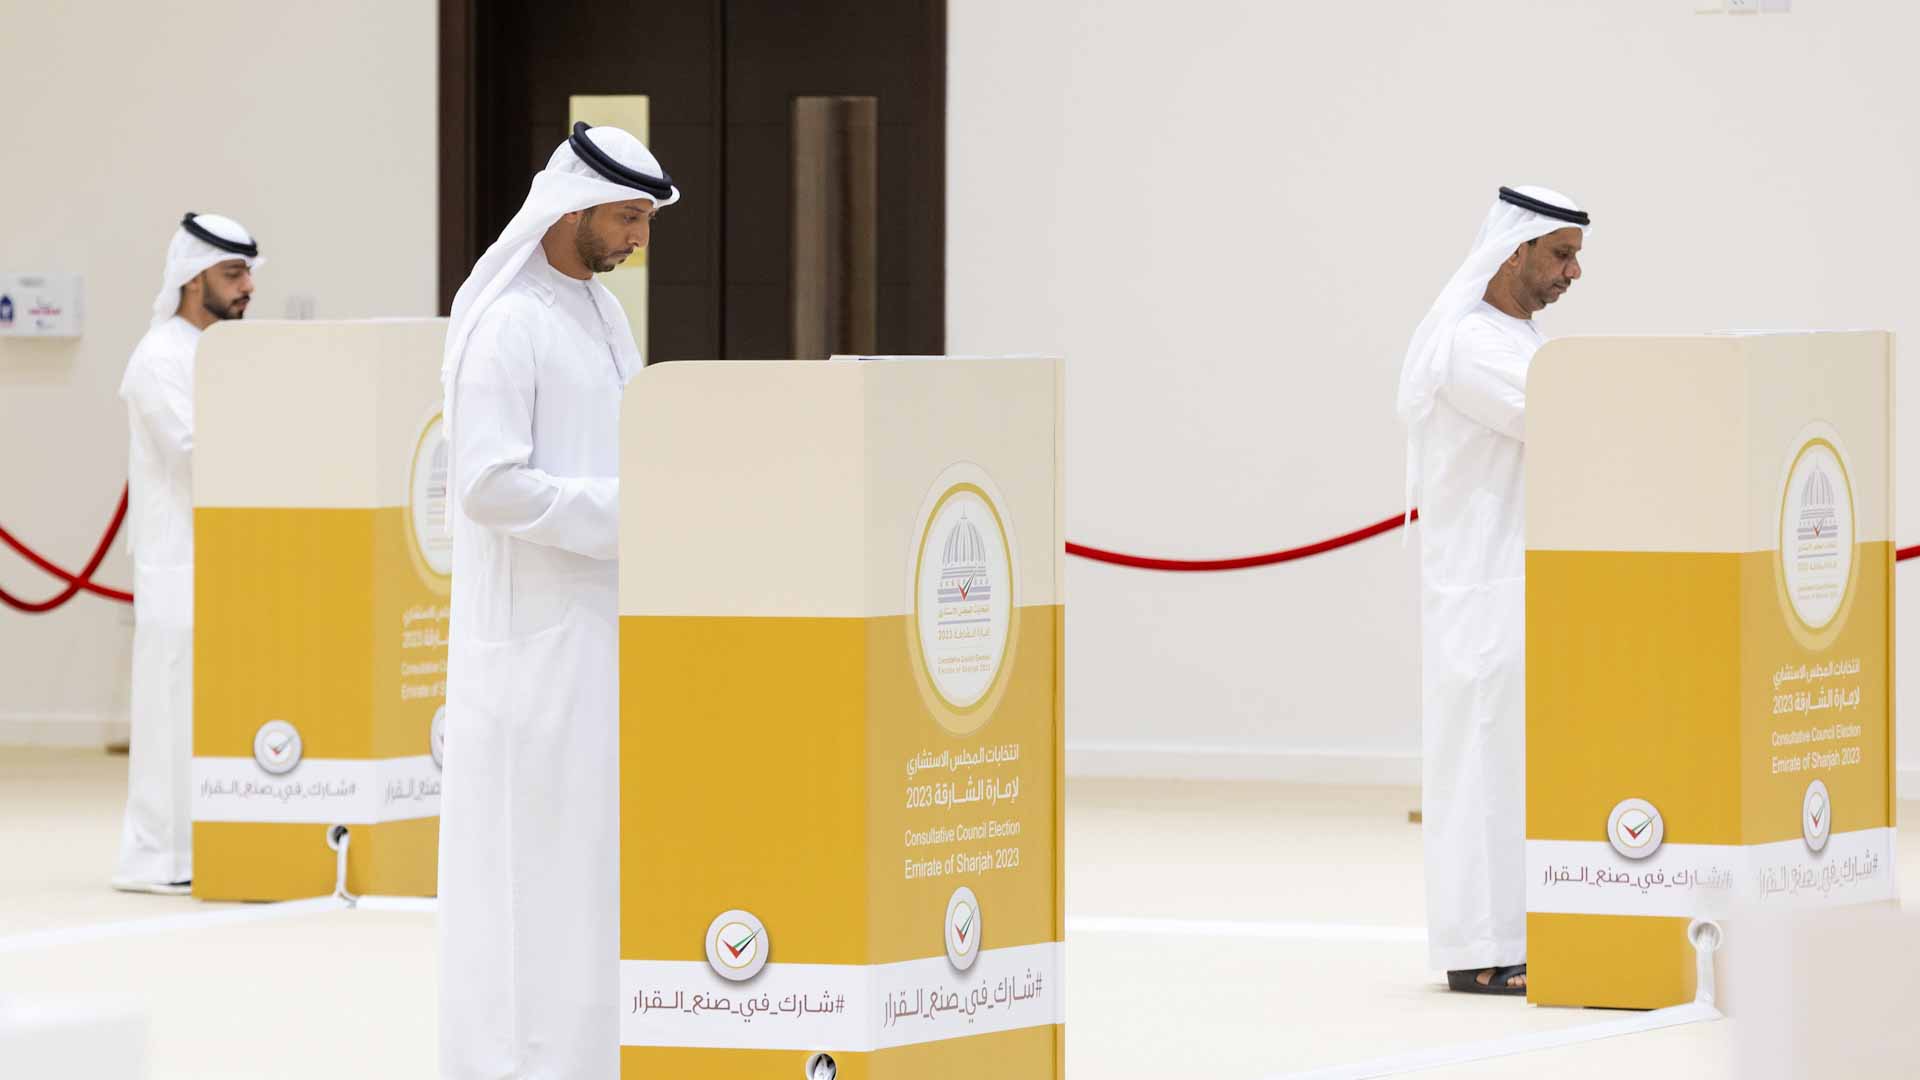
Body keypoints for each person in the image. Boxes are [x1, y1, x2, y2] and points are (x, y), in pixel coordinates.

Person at [437, 122, 677, 1079]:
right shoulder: (507, 324)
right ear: (571, 209)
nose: (638, 239)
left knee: (593, 863)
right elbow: (488, 486)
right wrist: (628, 515)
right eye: (627, 217)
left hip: (607, 627)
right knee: (534, 867)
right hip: (532, 647)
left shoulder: (602, 316)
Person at [1394, 185, 1589, 994]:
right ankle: (1476, 953)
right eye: (1562, 254)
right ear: (1515, 250)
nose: (1574, 272)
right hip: (1482, 589)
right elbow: (1571, 423)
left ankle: (1516, 932)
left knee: (1513, 765)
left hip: (1524, 584)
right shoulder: (1471, 344)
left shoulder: (1520, 337)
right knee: (1478, 761)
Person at [111, 213, 262, 895]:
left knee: (215, 709)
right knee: (171, 707)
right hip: (177, 564)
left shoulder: (226, 353)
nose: (247, 287)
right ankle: (157, 857)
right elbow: (196, 454)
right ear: (192, 276)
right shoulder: (159, 356)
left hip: (229, 562)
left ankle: (210, 844)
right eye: (233, 274)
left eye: (248, 273)